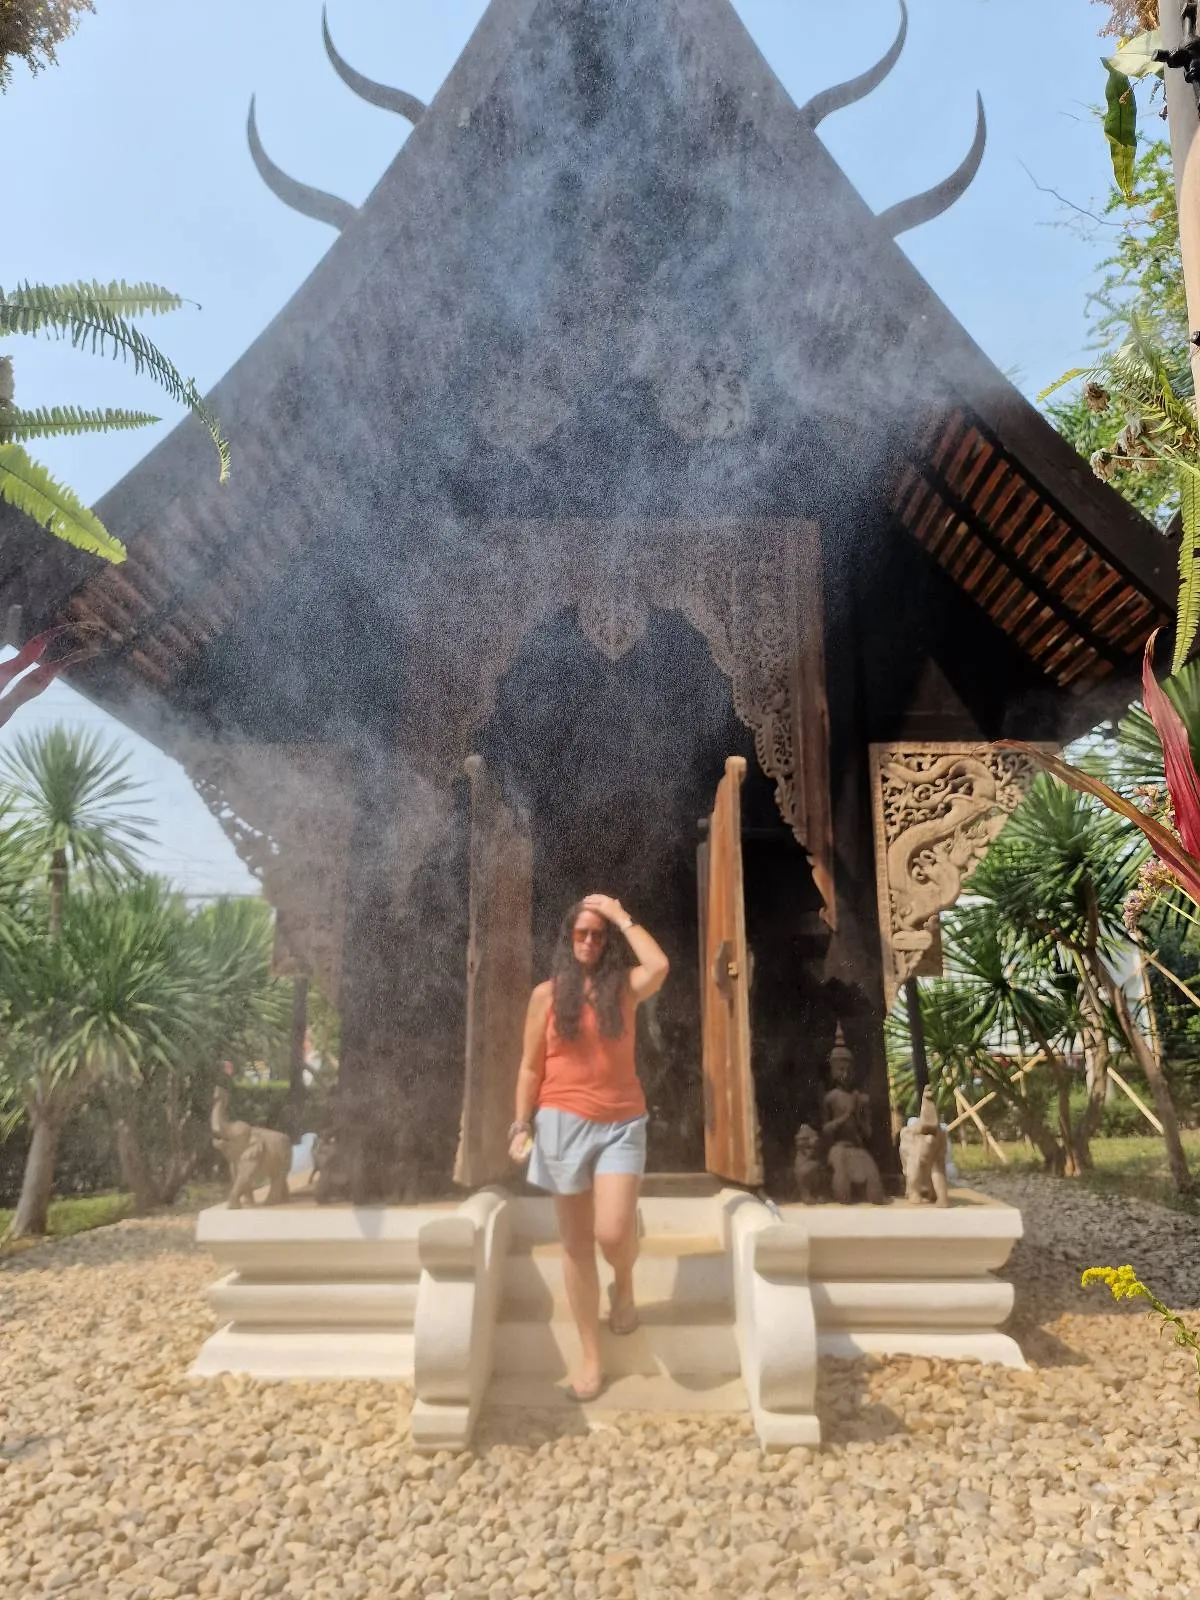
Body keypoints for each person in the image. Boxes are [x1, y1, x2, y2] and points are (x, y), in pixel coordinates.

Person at [508, 893, 670, 1401]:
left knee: (612, 1230)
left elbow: (660, 963)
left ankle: (623, 1281)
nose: (589, 941)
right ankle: (591, 1358)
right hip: (558, 1123)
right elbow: (531, 1067)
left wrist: (621, 915)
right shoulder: (546, 997)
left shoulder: (623, 988)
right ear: (567, 939)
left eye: (597, 935)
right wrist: (520, 1124)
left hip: (622, 1121)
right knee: (576, 1245)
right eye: (581, 933)